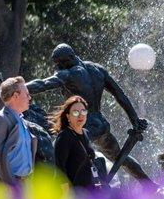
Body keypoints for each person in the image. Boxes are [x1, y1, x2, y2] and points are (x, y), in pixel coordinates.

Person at [26, 44, 149, 180]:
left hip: (83, 127)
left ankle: (67, 192)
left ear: (65, 62)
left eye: (58, 64)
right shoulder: (98, 69)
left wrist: (18, 87)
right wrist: (135, 120)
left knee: (56, 155)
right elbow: (120, 96)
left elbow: (42, 84)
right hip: (101, 125)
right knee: (120, 158)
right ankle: (150, 185)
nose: (56, 68)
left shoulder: (69, 74)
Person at [0, 76, 37, 186]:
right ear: (15, 96)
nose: (30, 98)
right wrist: (11, 186)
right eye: (27, 94)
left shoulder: (22, 121)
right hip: (8, 187)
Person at [51, 96, 100, 188]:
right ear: (68, 116)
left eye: (83, 111)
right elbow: (59, 167)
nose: (80, 115)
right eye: (75, 112)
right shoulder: (65, 136)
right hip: (74, 193)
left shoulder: (85, 133)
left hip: (90, 190)